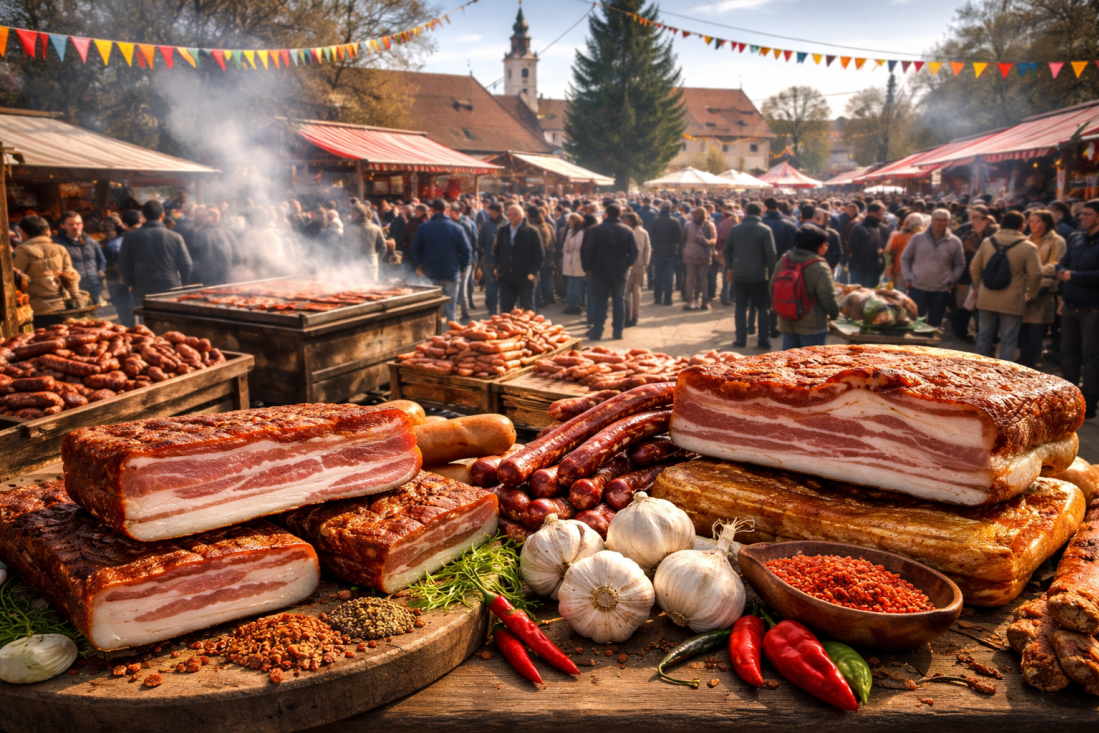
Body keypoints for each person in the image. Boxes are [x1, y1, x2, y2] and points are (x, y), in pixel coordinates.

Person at [969, 210, 1042, 362]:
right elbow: (1035, 274)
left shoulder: (987, 242)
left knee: (984, 336)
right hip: (1013, 299)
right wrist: (1032, 294)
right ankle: (1004, 375)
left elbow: (974, 268)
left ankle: (977, 371)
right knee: (1008, 340)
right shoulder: (1028, 247)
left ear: (1001, 225)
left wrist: (979, 285)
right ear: (1022, 226)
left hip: (986, 296)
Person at [1057, 198, 1099, 418]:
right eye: (1082, 213)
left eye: (1088, 214)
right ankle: (1069, 397)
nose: (1082, 217)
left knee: (1091, 356)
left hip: (1092, 307)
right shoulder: (1075, 237)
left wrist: (1073, 276)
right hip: (1071, 304)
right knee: (1068, 353)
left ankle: (1089, 402)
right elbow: (1061, 263)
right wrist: (1063, 271)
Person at [118, 200, 193, 319]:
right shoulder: (175, 237)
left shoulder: (130, 237)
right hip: (171, 289)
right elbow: (187, 265)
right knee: (172, 327)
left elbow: (123, 266)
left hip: (143, 290)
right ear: (162, 215)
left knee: (147, 330)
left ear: (143, 216)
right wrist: (181, 286)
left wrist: (131, 283)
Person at [771, 224, 840, 350]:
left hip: (786, 322)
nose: (827, 246)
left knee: (788, 363)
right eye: (825, 243)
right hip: (812, 326)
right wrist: (835, 315)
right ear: (817, 245)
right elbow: (827, 297)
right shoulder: (819, 266)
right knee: (809, 365)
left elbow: (772, 288)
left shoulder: (784, 260)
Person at [1017, 209, 1067, 368]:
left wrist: (1033, 271)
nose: (1033, 224)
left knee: (1036, 334)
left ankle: (1032, 364)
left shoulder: (1056, 240)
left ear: (1046, 222)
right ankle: (1024, 362)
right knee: (1022, 333)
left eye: (1037, 221)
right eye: (1031, 221)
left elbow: (1056, 266)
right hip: (1023, 291)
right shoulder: (1026, 240)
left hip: (1043, 292)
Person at [899, 210, 965, 329]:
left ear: (949, 222)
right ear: (931, 221)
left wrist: (951, 279)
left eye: (943, 220)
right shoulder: (918, 238)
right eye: (936, 220)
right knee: (914, 324)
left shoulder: (955, 242)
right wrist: (908, 276)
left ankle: (930, 347)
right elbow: (905, 258)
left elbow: (960, 264)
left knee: (935, 326)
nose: (939, 223)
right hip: (918, 288)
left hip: (941, 290)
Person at [724, 202, 776, 349]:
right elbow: (771, 255)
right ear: (761, 213)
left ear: (746, 212)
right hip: (759, 275)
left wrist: (732, 267)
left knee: (740, 306)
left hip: (740, 273)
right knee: (762, 308)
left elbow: (726, 250)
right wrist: (769, 272)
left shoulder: (735, 229)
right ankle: (763, 340)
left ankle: (740, 339)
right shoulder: (765, 230)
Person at [582, 203, 637, 341]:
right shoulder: (627, 230)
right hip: (619, 271)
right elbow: (634, 251)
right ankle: (618, 332)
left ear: (606, 213)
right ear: (619, 214)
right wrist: (627, 264)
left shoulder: (597, 229)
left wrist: (590, 267)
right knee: (619, 301)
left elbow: (589, 250)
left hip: (600, 271)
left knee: (601, 301)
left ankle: (598, 332)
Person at [410, 199, 471, 323]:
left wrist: (420, 264)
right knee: (451, 307)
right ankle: (451, 333)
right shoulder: (457, 227)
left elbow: (414, 248)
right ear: (447, 210)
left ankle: (432, 331)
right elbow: (467, 250)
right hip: (451, 271)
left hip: (430, 271)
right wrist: (462, 267)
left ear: (432, 210)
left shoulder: (423, 228)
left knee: (432, 304)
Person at [12, 215, 81, 314]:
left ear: (21, 231)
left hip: (37, 308)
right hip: (63, 304)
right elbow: (71, 276)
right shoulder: (60, 248)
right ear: (47, 230)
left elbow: (14, 280)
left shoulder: (22, 251)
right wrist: (76, 297)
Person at [495, 204, 543, 312]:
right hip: (507, 276)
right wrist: (497, 266)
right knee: (506, 310)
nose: (511, 217)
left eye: (515, 214)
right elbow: (497, 250)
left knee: (527, 309)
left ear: (522, 216)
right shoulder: (504, 230)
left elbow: (539, 254)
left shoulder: (531, 231)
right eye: (509, 214)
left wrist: (532, 272)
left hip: (525, 278)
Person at [52, 211, 105, 306]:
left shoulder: (91, 242)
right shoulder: (57, 244)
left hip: (94, 285)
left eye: (78, 223)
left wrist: (100, 274)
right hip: (74, 289)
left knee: (96, 316)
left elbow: (101, 260)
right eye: (71, 224)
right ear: (62, 225)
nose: (75, 227)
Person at [847, 201, 892, 288]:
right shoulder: (884, 229)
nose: (883, 215)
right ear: (879, 212)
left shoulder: (858, 227)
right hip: (872, 268)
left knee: (856, 295)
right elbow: (884, 248)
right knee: (869, 295)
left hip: (859, 266)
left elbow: (851, 246)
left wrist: (855, 257)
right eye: (882, 213)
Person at [189, 208, 239, 286]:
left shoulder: (200, 234)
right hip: (227, 275)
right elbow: (238, 256)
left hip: (210, 277)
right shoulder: (226, 232)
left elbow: (203, 257)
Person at [101, 216, 134, 326]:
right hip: (127, 281)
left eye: (107, 229)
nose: (106, 232)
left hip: (118, 281)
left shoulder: (110, 245)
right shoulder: (130, 239)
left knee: (124, 311)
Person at [681, 207, 716, 311]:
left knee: (691, 279)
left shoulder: (688, 225)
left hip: (691, 255)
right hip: (703, 256)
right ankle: (704, 302)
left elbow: (683, 237)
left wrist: (703, 240)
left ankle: (691, 302)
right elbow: (714, 241)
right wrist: (706, 241)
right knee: (703, 278)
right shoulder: (710, 225)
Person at [649, 203, 682, 306]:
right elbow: (679, 237)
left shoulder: (655, 220)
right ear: (671, 209)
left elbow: (650, 235)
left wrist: (654, 244)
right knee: (669, 276)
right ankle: (668, 299)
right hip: (670, 250)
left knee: (658, 275)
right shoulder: (675, 221)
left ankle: (657, 298)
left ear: (661, 209)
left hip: (658, 251)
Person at [448, 202, 477, 319]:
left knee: (462, 287)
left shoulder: (463, 225)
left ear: (455, 213)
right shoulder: (453, 224)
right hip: (457, 259)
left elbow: (470, 244)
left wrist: (466, 260)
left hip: (464, 260)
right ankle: (456, 312)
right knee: (459, 287)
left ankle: (465, 312)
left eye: (449, 212)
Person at [622, 212, 651, 327]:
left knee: (627, 292)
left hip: (627, 264)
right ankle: (635, 315)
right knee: (636, 290)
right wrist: (646, 261)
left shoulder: (626, 231)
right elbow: (648, 248)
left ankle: (628, 317)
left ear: (630, 221)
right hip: (640, 264)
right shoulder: (643, 231)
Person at [883, 214, 924, 291]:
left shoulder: (896, 235)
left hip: (898, 269)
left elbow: (887, 251)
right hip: (917, 271)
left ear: (906, 223)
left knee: (897, 293)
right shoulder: (923, 238)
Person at [347, 204, 386, 282]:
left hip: (353, 262)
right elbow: (383, 247)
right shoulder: (376, 228)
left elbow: (343, 246)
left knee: (353, 288)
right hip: (370, 263)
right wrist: (376, 259)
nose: (351, 217)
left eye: (352, 214)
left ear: (356, 214)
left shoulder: (347, 228)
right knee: (370, 288)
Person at [478, 202, 503, 316]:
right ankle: (492, 309)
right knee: (491, 286)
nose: (490, 212)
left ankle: (501, 309)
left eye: (492, 210)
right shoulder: (487, 224)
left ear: (497, 212)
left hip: (502, 261)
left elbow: (481, 243)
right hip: (490, 260)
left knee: (498, 286)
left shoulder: (504, 223)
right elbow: (481, 242)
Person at [561, 213, 586, 314]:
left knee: (570, 284)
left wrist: (567, 253)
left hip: (568, 259)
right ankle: (577, 304)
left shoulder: (569, 232)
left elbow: (565, 248)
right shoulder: (583, 233)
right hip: (579, 259)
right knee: (577, 284)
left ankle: (571, 304)